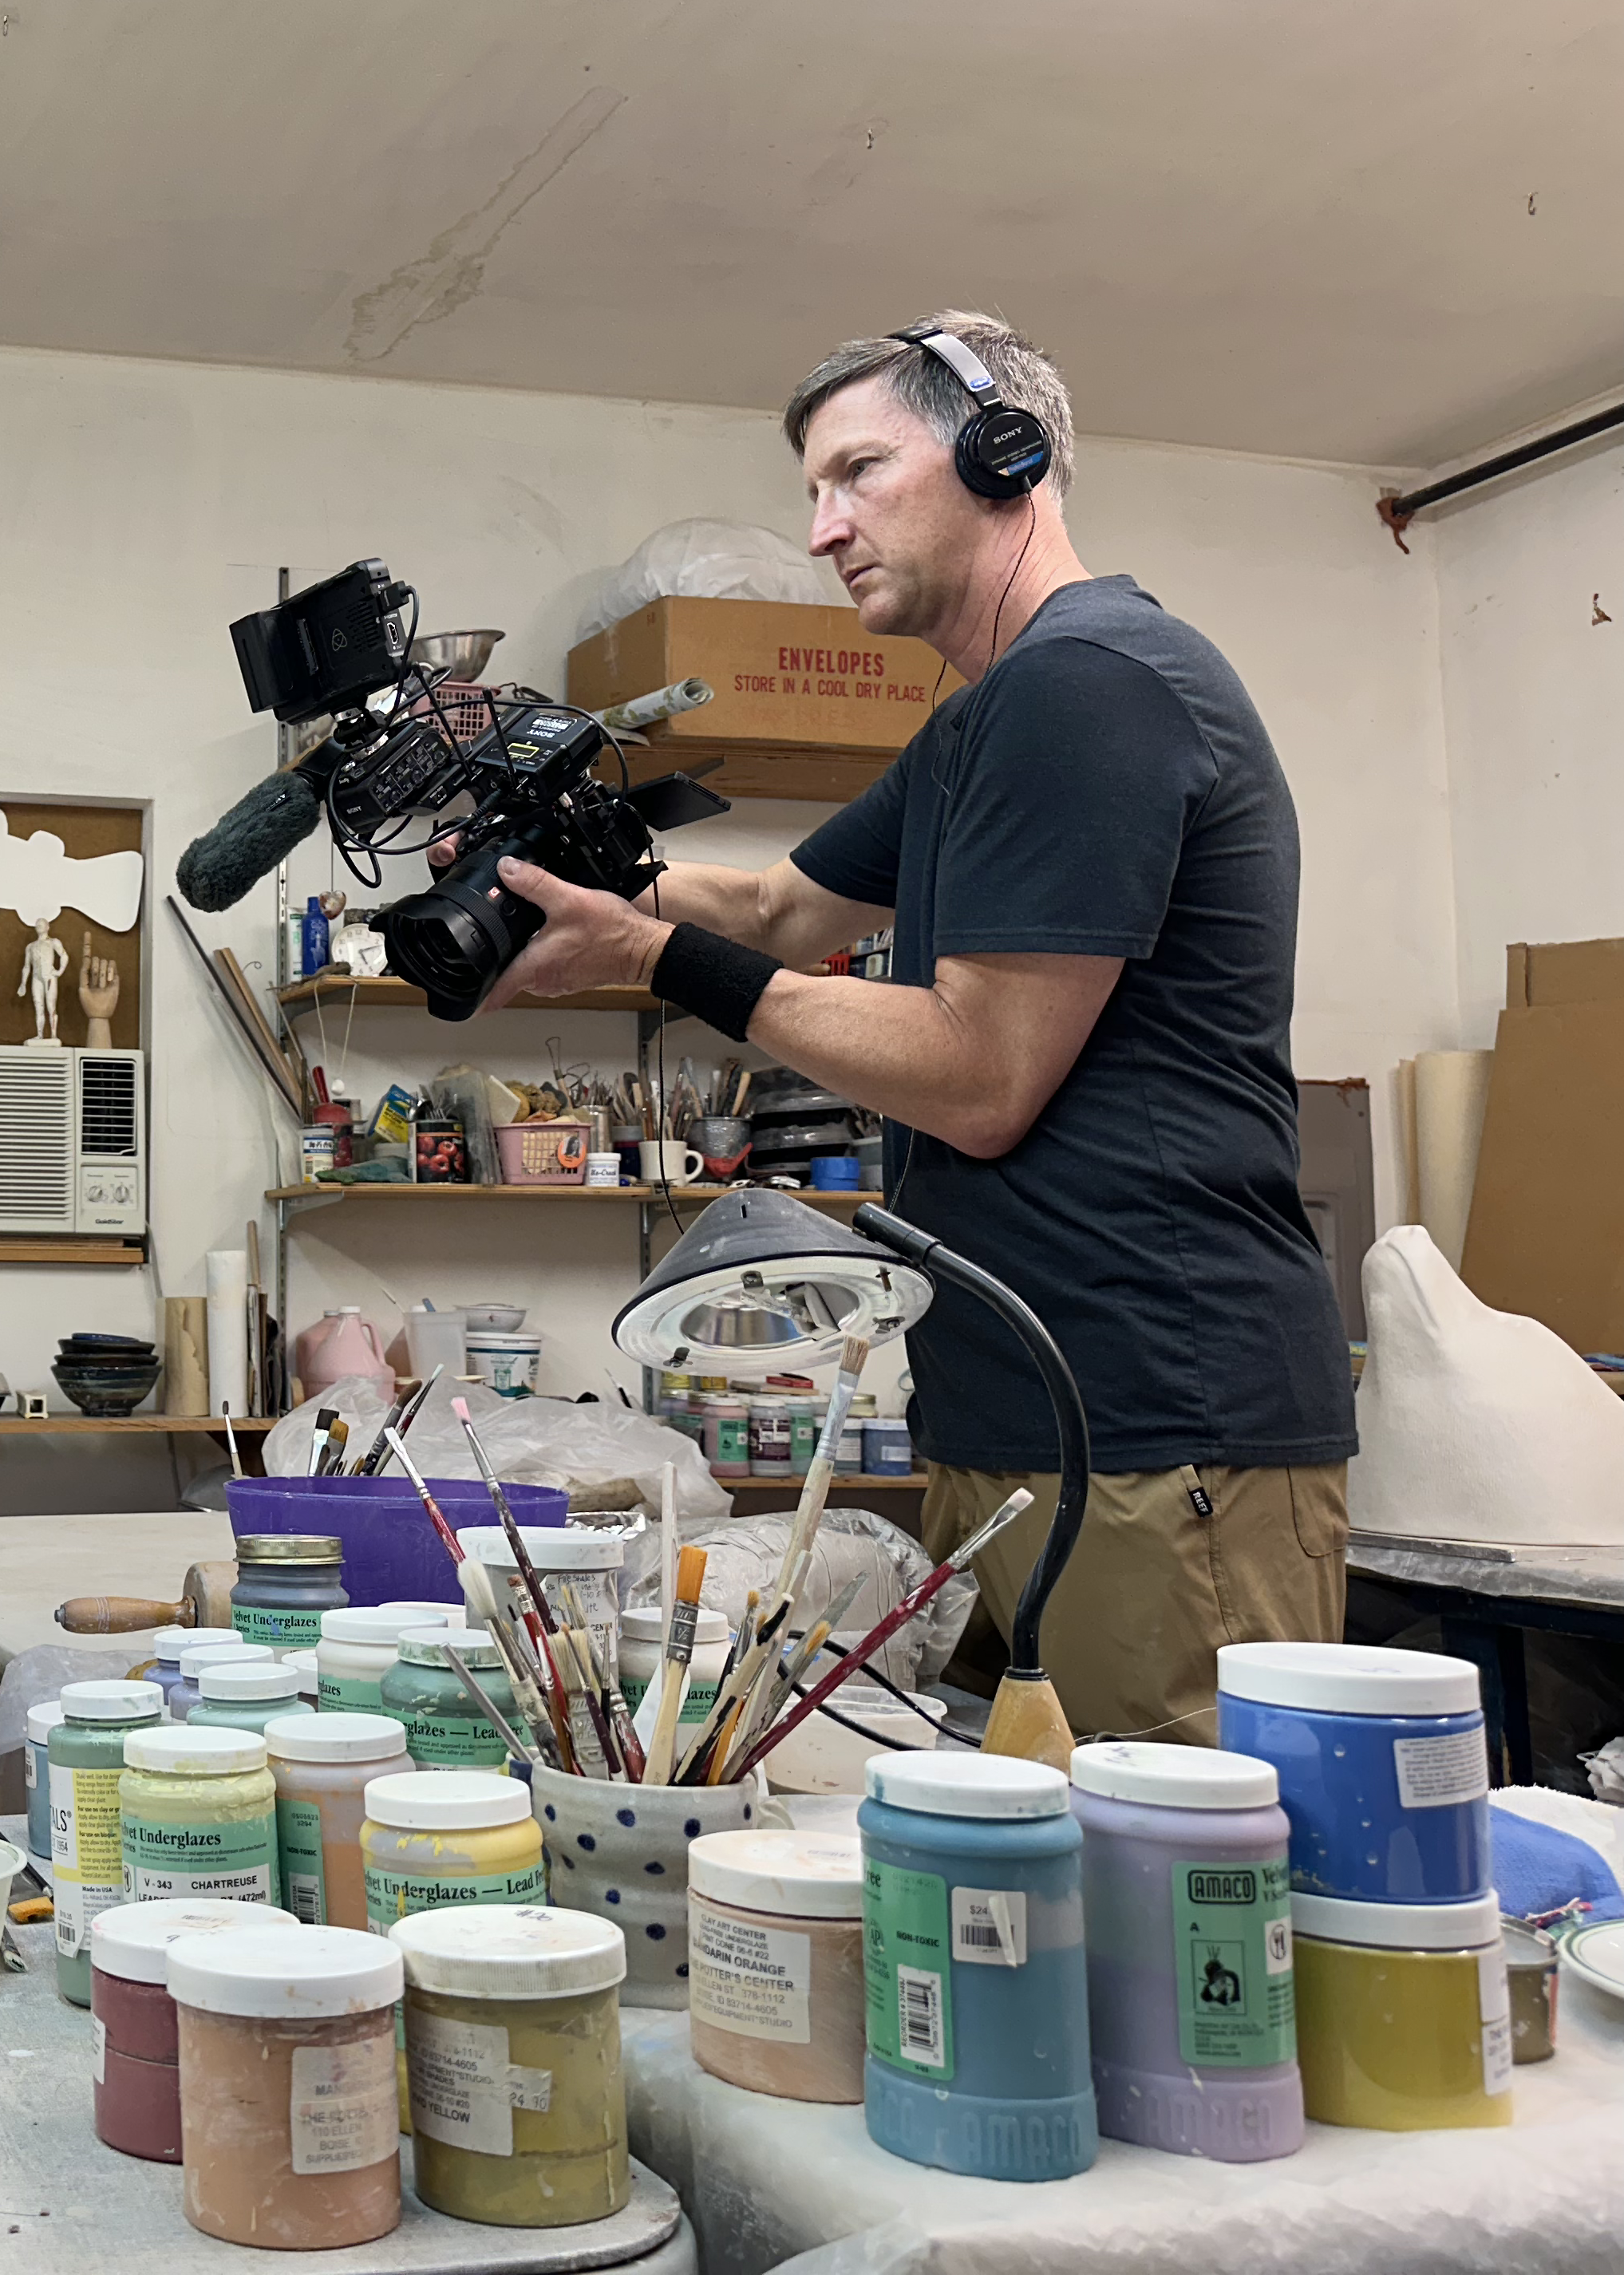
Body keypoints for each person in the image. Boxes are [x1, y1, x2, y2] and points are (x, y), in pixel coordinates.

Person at [465, 310, 1352, 1743]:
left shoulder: (1093, 684)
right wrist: (569, 889)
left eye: (858, 473)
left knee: (1186, 1901)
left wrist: (651, 954)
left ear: (1007, 456)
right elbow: (765, 905)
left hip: (1152, 1412)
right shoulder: (976, 724)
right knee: (1036, 1880)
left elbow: (979, 1075)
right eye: (811, 491)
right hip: (1019, 1409)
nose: (821, 530)